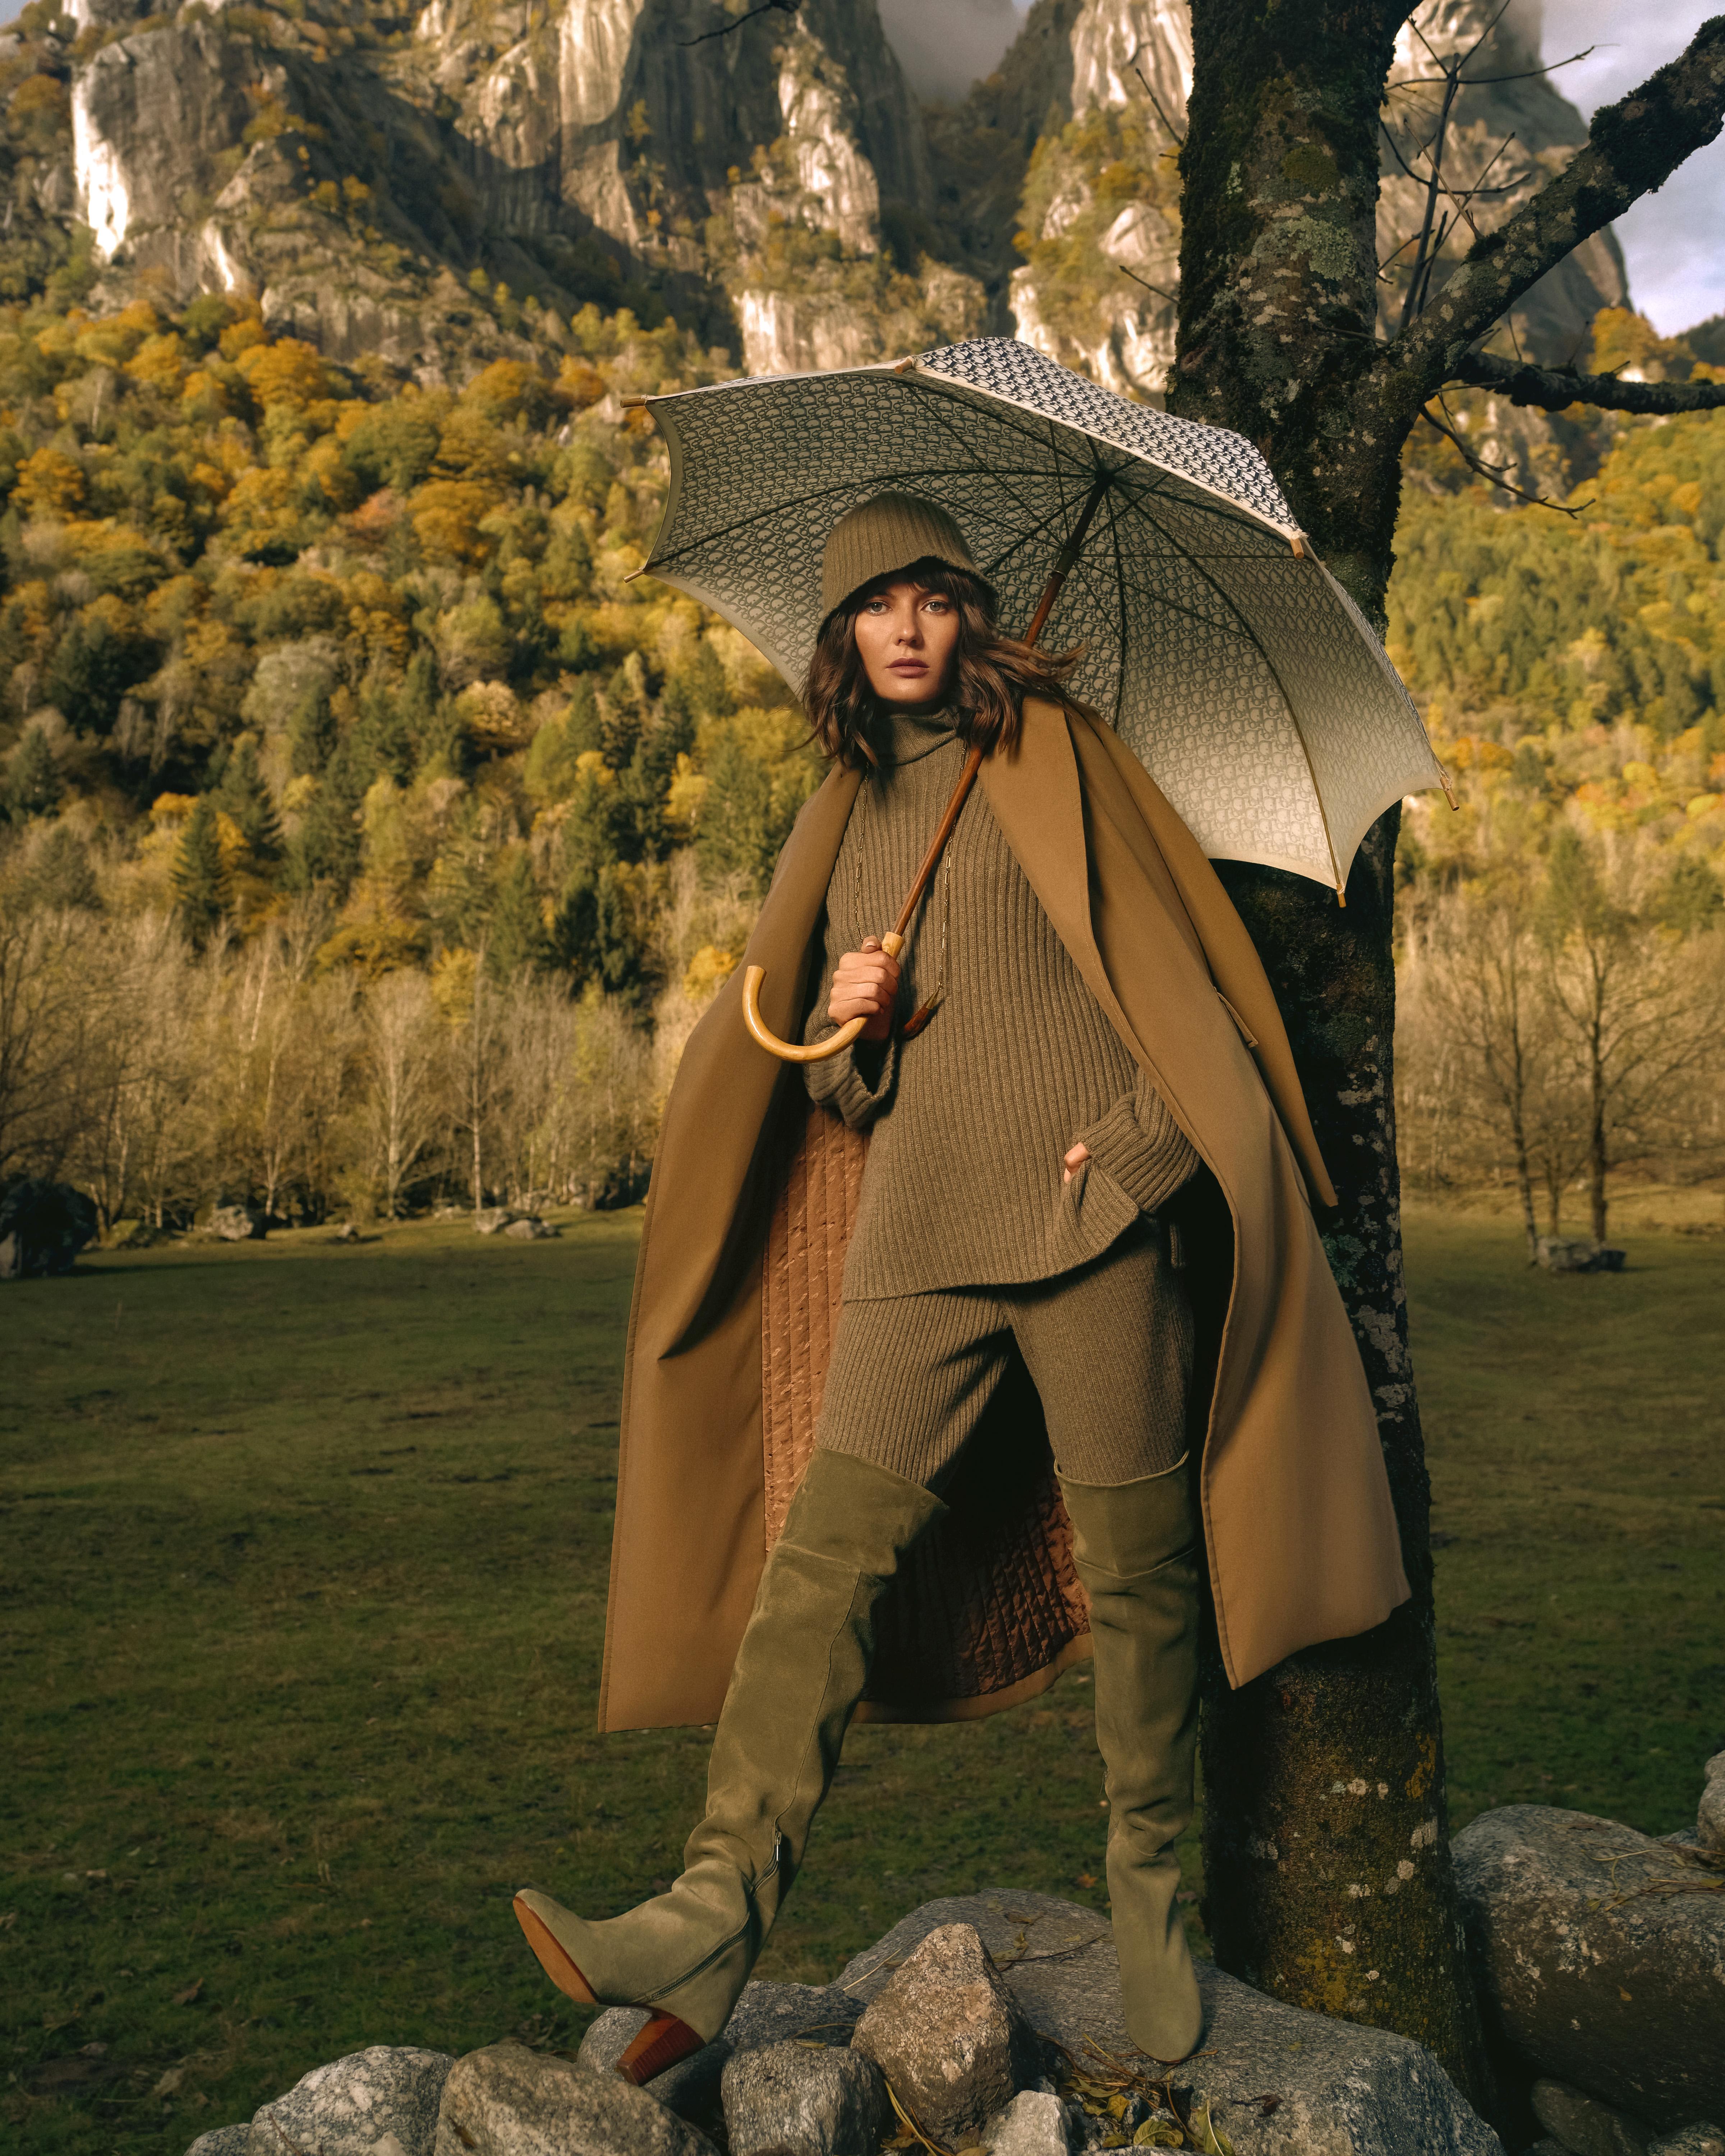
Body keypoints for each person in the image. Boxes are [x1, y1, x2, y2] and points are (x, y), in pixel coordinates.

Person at [512, 494, 1409, 2085]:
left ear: (973, 616)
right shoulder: (852, 809)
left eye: (934, 598)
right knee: (818, 1577)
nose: (909, 627)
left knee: (1140, 1582)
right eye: (878, 605)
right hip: (915, 1244)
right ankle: (717, 1905)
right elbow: (846, 1102)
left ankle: (1147, 1892)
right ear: (844, 637)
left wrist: (1131, 1161)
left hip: (1091, 1241)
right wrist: (851, 1024)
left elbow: (1189, 997)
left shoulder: (1066, 756)